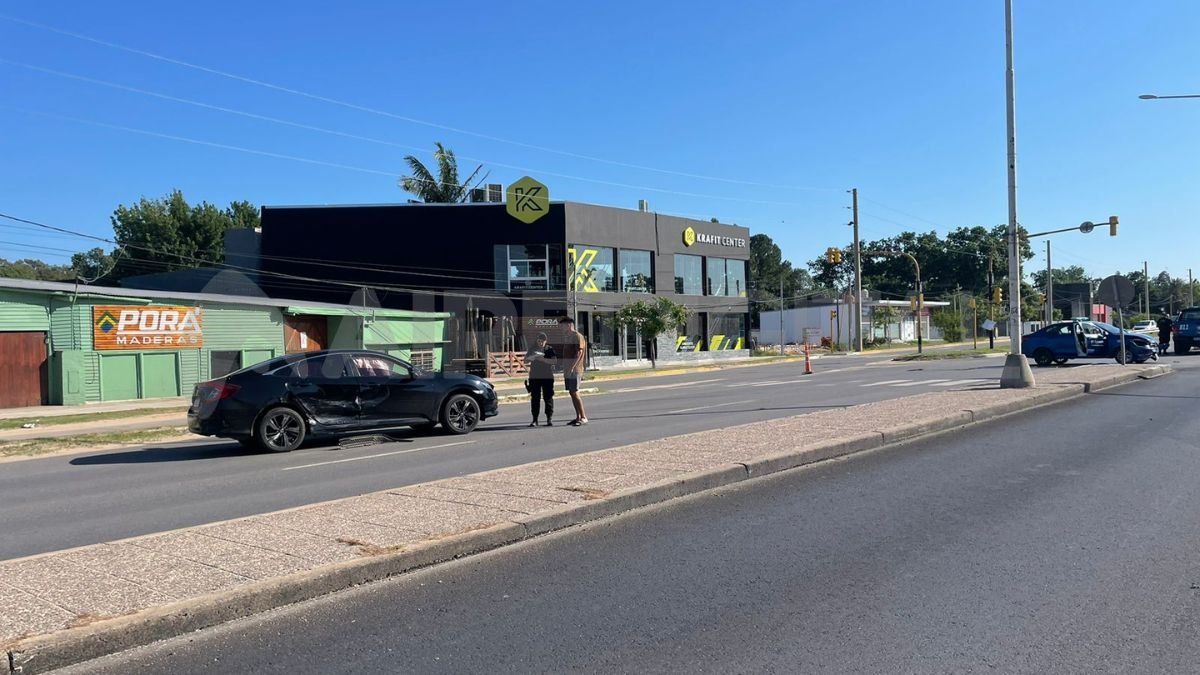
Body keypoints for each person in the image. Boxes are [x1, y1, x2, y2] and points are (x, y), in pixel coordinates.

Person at [559, 316, 589, 426]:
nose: (561, 328)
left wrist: (572, 366)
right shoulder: (568, 337)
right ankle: (577, 417)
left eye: (562, 326)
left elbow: (579, 353)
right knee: (571, 393)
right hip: (568, 369)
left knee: (575, 392)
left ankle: (584, 417)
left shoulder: (577, 336)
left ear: (569, 325)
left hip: (575, 370)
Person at [523, 333, 556, 427]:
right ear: (537, 341)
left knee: (548, 397)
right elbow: (525, 360)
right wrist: (532, 357)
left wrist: (543, 360)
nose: (541, 343)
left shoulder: (549, 349)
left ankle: (549, 419)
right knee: (535, 398)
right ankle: (535, 419)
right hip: (535, 376)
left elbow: (554, 361)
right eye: (539, 341)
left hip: (547, 376)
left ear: (546, 341)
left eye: (543, 341)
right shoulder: (532, 349)